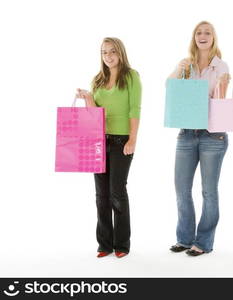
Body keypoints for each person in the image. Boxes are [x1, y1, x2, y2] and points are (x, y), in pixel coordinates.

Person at [168, 21, 230, 256]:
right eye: (199, 33)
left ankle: (203, 242)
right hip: (186, 133)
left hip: (212, 134)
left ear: (214, 38)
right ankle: (184, 238)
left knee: (208, 191)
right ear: (194, 38)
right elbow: (170, 87)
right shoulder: (187, 65)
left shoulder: (221, 66)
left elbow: (220, 101)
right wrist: (178, 69)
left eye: (207, 33)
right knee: (181, 189)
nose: (203, 36)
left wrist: (222, 86)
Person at [76, 37, 142, 258]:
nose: (108, 56)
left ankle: (122, 244)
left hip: (121, 140)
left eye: (112, 51)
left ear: (120, 52)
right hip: (98, 140)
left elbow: (135, 109)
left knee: (117, 192)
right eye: (104, 52)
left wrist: (133, 139)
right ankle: (104, 244)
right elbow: (95, 114)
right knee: (101, 195)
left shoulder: (131, 76)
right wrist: (87, 98)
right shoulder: (98, 79)